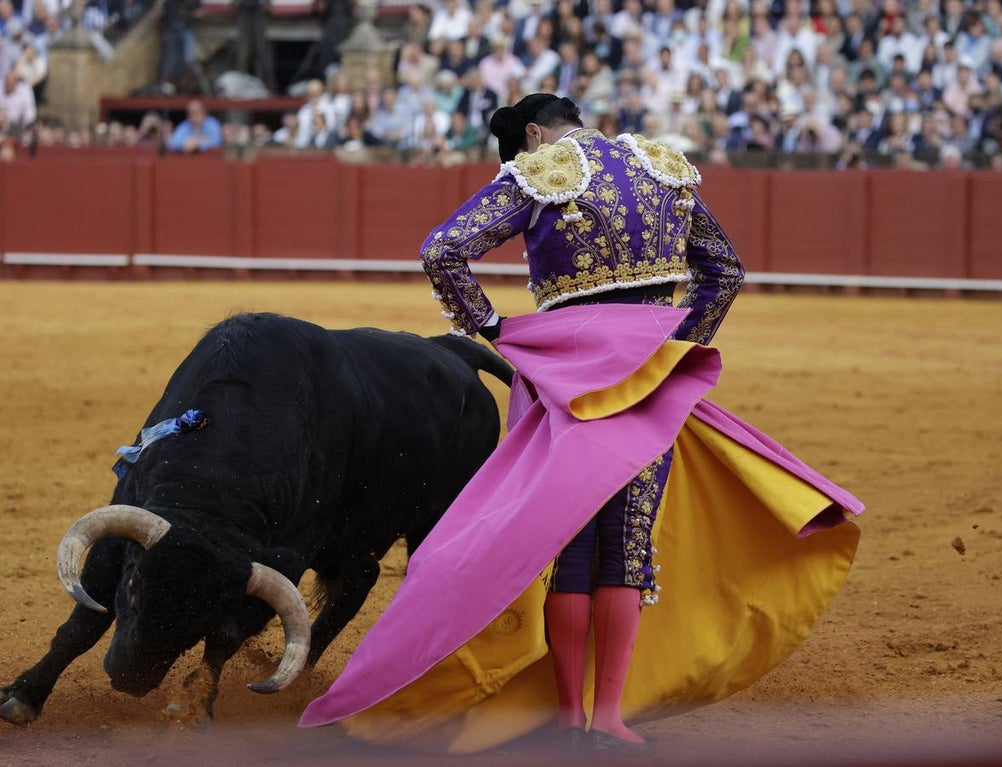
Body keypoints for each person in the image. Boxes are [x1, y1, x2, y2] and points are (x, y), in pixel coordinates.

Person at [299, 93, 863, 755]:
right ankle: (609, 716)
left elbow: (443, 249)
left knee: (570, 548)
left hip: (567, 374)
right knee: (626, 547)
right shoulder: (664, 166)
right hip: (650, 375)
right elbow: (725, 270)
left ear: (534, 135)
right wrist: (675, 351)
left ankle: (570, 713)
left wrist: (493, 327)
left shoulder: (538, 172)